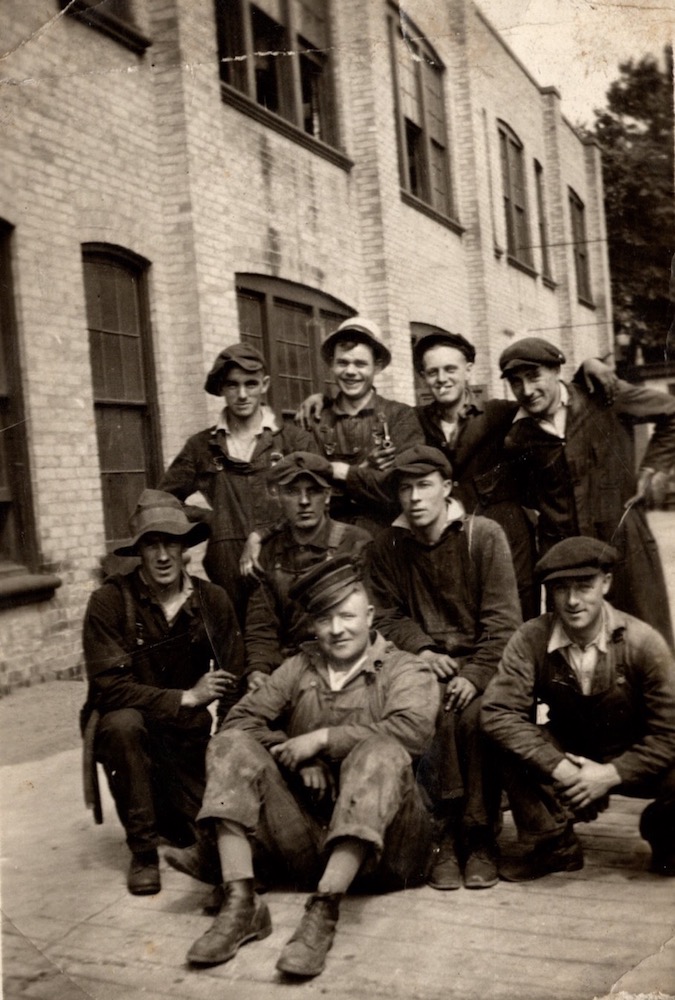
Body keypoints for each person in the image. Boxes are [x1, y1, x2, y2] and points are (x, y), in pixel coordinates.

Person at [166, 556, 438, 978]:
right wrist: (295, 756)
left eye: (347, 616)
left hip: (391, 852)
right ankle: (241, 902)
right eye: (325, 619)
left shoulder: (404, 668)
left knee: (379, 750)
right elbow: (239, 721)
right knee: (230, 744)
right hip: (311, 840)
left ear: (369, 616)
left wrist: (322, 740)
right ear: (312, 626)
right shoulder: (300, 667)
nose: (337, 630)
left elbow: (413, 731)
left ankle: (324, 909)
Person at [368, 445, 521, 889]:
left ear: (447, 488)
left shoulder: (483, 535)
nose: (414, 497)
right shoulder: (388, 545)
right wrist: (421, 650)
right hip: (422, 663)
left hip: (482, 661)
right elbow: (385, 615)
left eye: (424, 486)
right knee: (423, 714)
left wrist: (474, 676)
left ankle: (479, 837)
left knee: (476, 718)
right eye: (405, 488)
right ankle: (443, 837)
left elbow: (504, 622)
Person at [481, 536, 675, 880]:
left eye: (584, 586)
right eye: (560, 589)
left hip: (636, 758)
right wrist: (561, 768)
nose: (572, 601)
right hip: (568, 756)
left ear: (606, 583)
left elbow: (669, 734)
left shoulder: (643, 643)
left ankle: (662, 826)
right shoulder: (531, 638)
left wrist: (608, 775)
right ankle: (553, 843)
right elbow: (498, 711)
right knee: (495, 733)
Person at [81, 490, 244, 895]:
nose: (163, 556)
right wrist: (186, 697)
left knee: (205, 835)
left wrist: (225, 744)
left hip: (186, 738)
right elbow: (110, 688)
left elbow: (234, 679)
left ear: (186, 547)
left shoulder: (212, 600)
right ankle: (142, 852)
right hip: (129, 728)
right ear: (138, 550)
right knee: (123, 726)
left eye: (171, 542)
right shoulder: (109, 602)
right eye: (151, 544)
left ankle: (170, 815)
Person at [500, 336, 675, 647]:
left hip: (624, 539)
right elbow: (527, 496)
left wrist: (652, 469)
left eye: (534, 376)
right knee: (577, 653)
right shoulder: (519, 439)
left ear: (556, 371)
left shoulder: (602, 396)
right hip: (567, 557)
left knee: (648, 642)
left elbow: (671, 412)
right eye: (516, 382)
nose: (526, 391)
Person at [160, 342, 315, 623]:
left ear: (264, 384)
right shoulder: (201, 447)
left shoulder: (292, 441)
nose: (242, 394)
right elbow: (162, 502)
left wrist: (265, 533)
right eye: (232, 385)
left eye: (251, 384)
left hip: (288, 566)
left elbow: (315, 503)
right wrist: (209, 519)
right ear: (221, 388)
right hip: (227, 574)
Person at [413, 330, 537, 618]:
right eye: (432, 372)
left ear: (468, 370)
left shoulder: (501, 413)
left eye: (450, 369)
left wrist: (589, 368)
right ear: (423, 376)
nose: (441, 378)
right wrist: (322, 400)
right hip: (450, 542)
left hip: (507, 539)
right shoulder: (415, 420)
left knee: (518, 614)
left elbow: (547, 395)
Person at [244, 451, 372, 691]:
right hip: (291, 668)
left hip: (347, 666)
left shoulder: (356, 543)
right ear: (278, 497)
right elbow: (262, 626)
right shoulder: (268, 553)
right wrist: (258, 669)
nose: (303, 501)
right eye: (292, 492)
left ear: (327, 495)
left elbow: (372, 622)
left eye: (313, 491)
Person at [302, 317, 425, 533]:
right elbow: (308, 493)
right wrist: (365, 473)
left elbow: (399, 491)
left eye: (360, 364)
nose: (350, 372)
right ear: (332, 364)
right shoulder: (315, 419)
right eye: (342, 362)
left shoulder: (400, 416)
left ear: (377, 366)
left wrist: (341, 473)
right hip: (329, 544)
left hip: (388, 541)